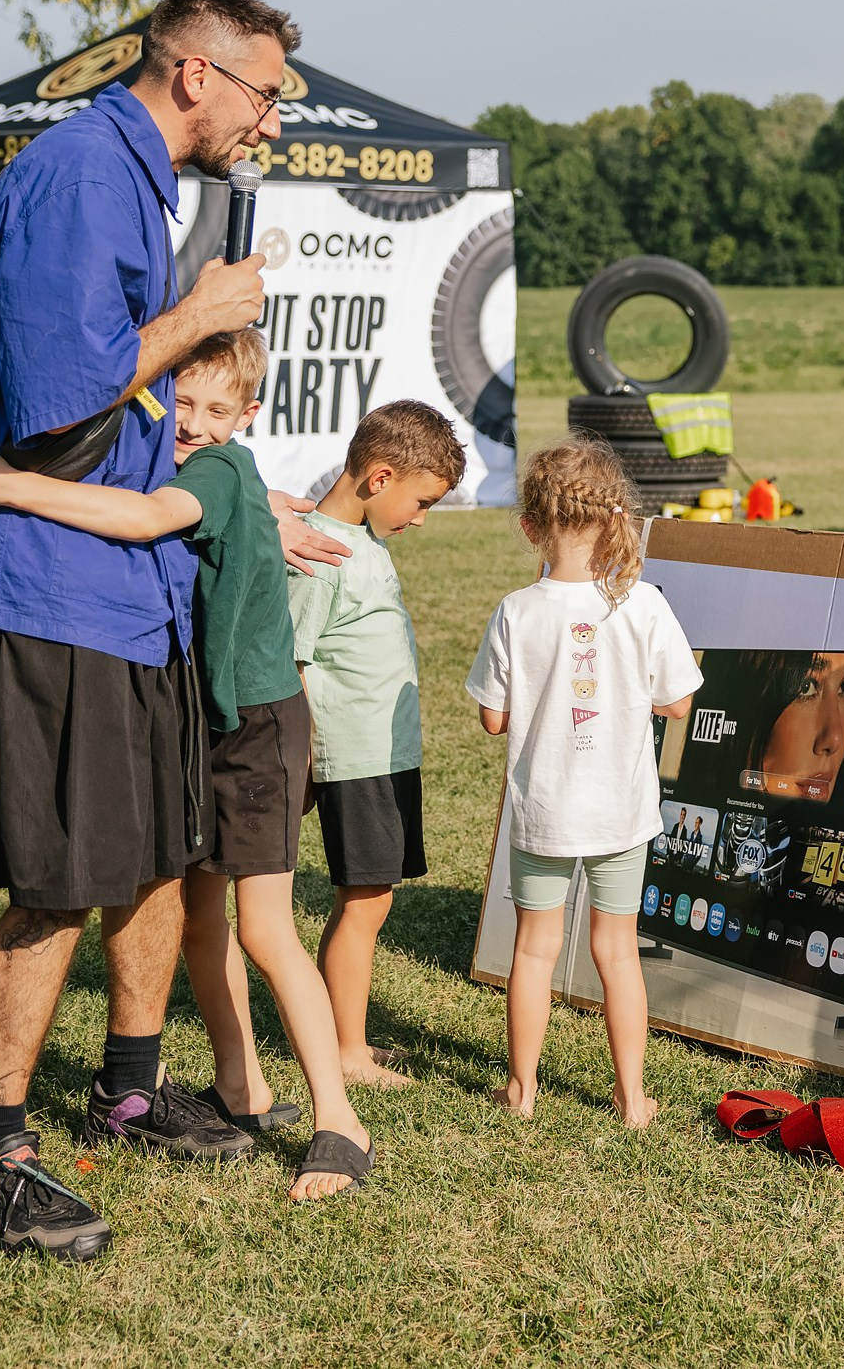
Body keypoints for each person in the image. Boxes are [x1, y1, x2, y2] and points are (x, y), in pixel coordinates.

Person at [0, 0, 348, 1261]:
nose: (273, 121)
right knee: (62, 879)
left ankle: (129, 1087)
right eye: (266, 94)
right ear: (196, 73)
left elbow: (138, 417)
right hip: (50, 588)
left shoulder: (136, 181)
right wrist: (203, 316)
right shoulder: (79, 175)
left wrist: (246, 502)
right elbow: (62, 401)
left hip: (134, 594)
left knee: (159, 850)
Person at [0, 328, 373, 1202]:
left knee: (264, 929)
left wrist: (2, 483)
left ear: (248, 413)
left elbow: (144, 518)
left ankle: (340, 1118)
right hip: (211, 721)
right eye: (181, 400)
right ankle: (241, 1087)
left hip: (256, 729)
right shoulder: (216, 468)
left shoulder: (215, 468)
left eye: (217, 409)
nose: (192, 421)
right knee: (199, 917)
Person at [467, 435, 702, 1125]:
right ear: (614, 517)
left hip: (542, 812)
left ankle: (521, 1091)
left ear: (530, 527)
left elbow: (492, 718)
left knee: (534, 950)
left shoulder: (516, 610)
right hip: (620, 814)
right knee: (618, 953)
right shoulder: (645, 603)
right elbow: (679, 702)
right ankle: (632, 1098)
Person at [289, 399, 468, 1088]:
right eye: (421, 502)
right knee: (363, 903)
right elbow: (293, 662)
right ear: (380, 477)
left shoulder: (362, 542)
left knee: (372, 899)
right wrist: (304, 763)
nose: (419, 519)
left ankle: (349, 1036)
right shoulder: (318, 551)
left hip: (385, 755)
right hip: (353, 758)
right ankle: (346, 1053)